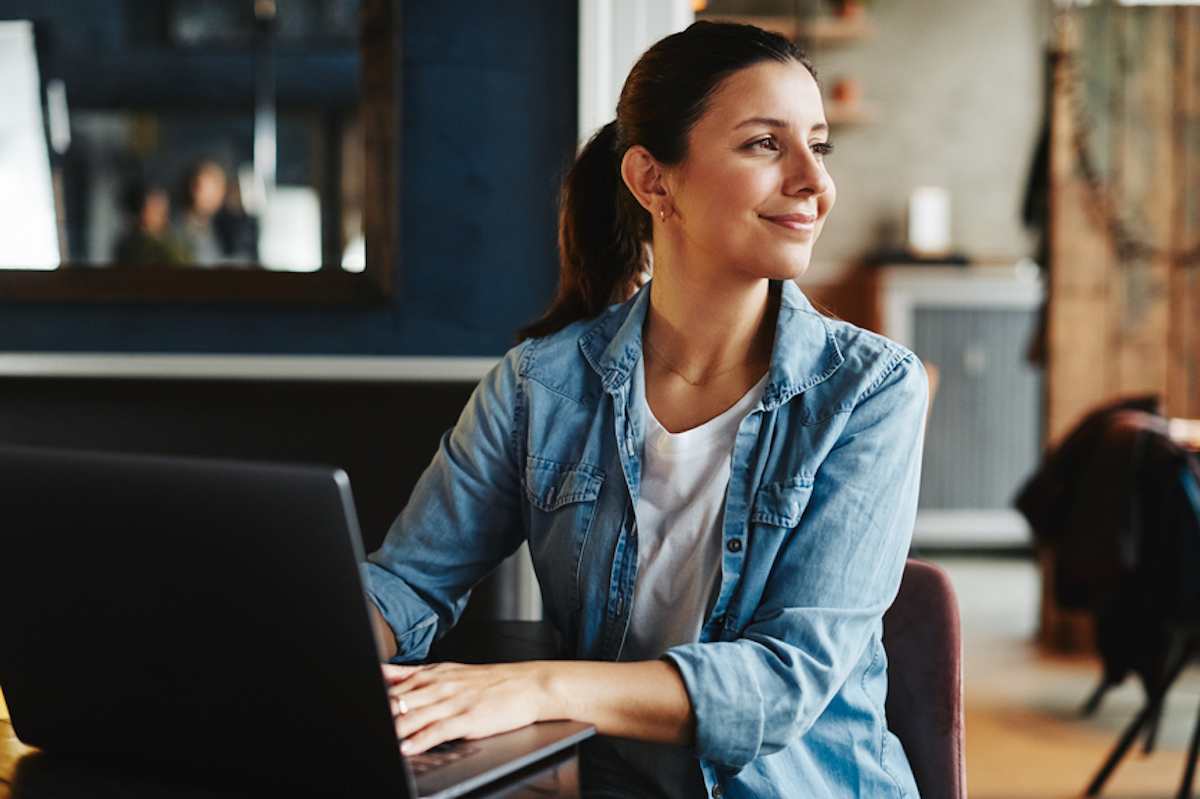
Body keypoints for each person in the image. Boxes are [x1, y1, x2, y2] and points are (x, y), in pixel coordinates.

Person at [365, 21, 927, 798]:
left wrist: (540, 688)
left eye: (819, 145)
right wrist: (328, 651)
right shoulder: (538, 386)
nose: (813, 181)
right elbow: (408, 582)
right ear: (653, 181)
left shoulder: (870, 390)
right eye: (766, 144)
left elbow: (785, 680)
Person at [112, 180, 187, 267]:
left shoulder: (174, 243)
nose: (163, 215)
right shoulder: (131, 246)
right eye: (155, 208)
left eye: (164, 209)